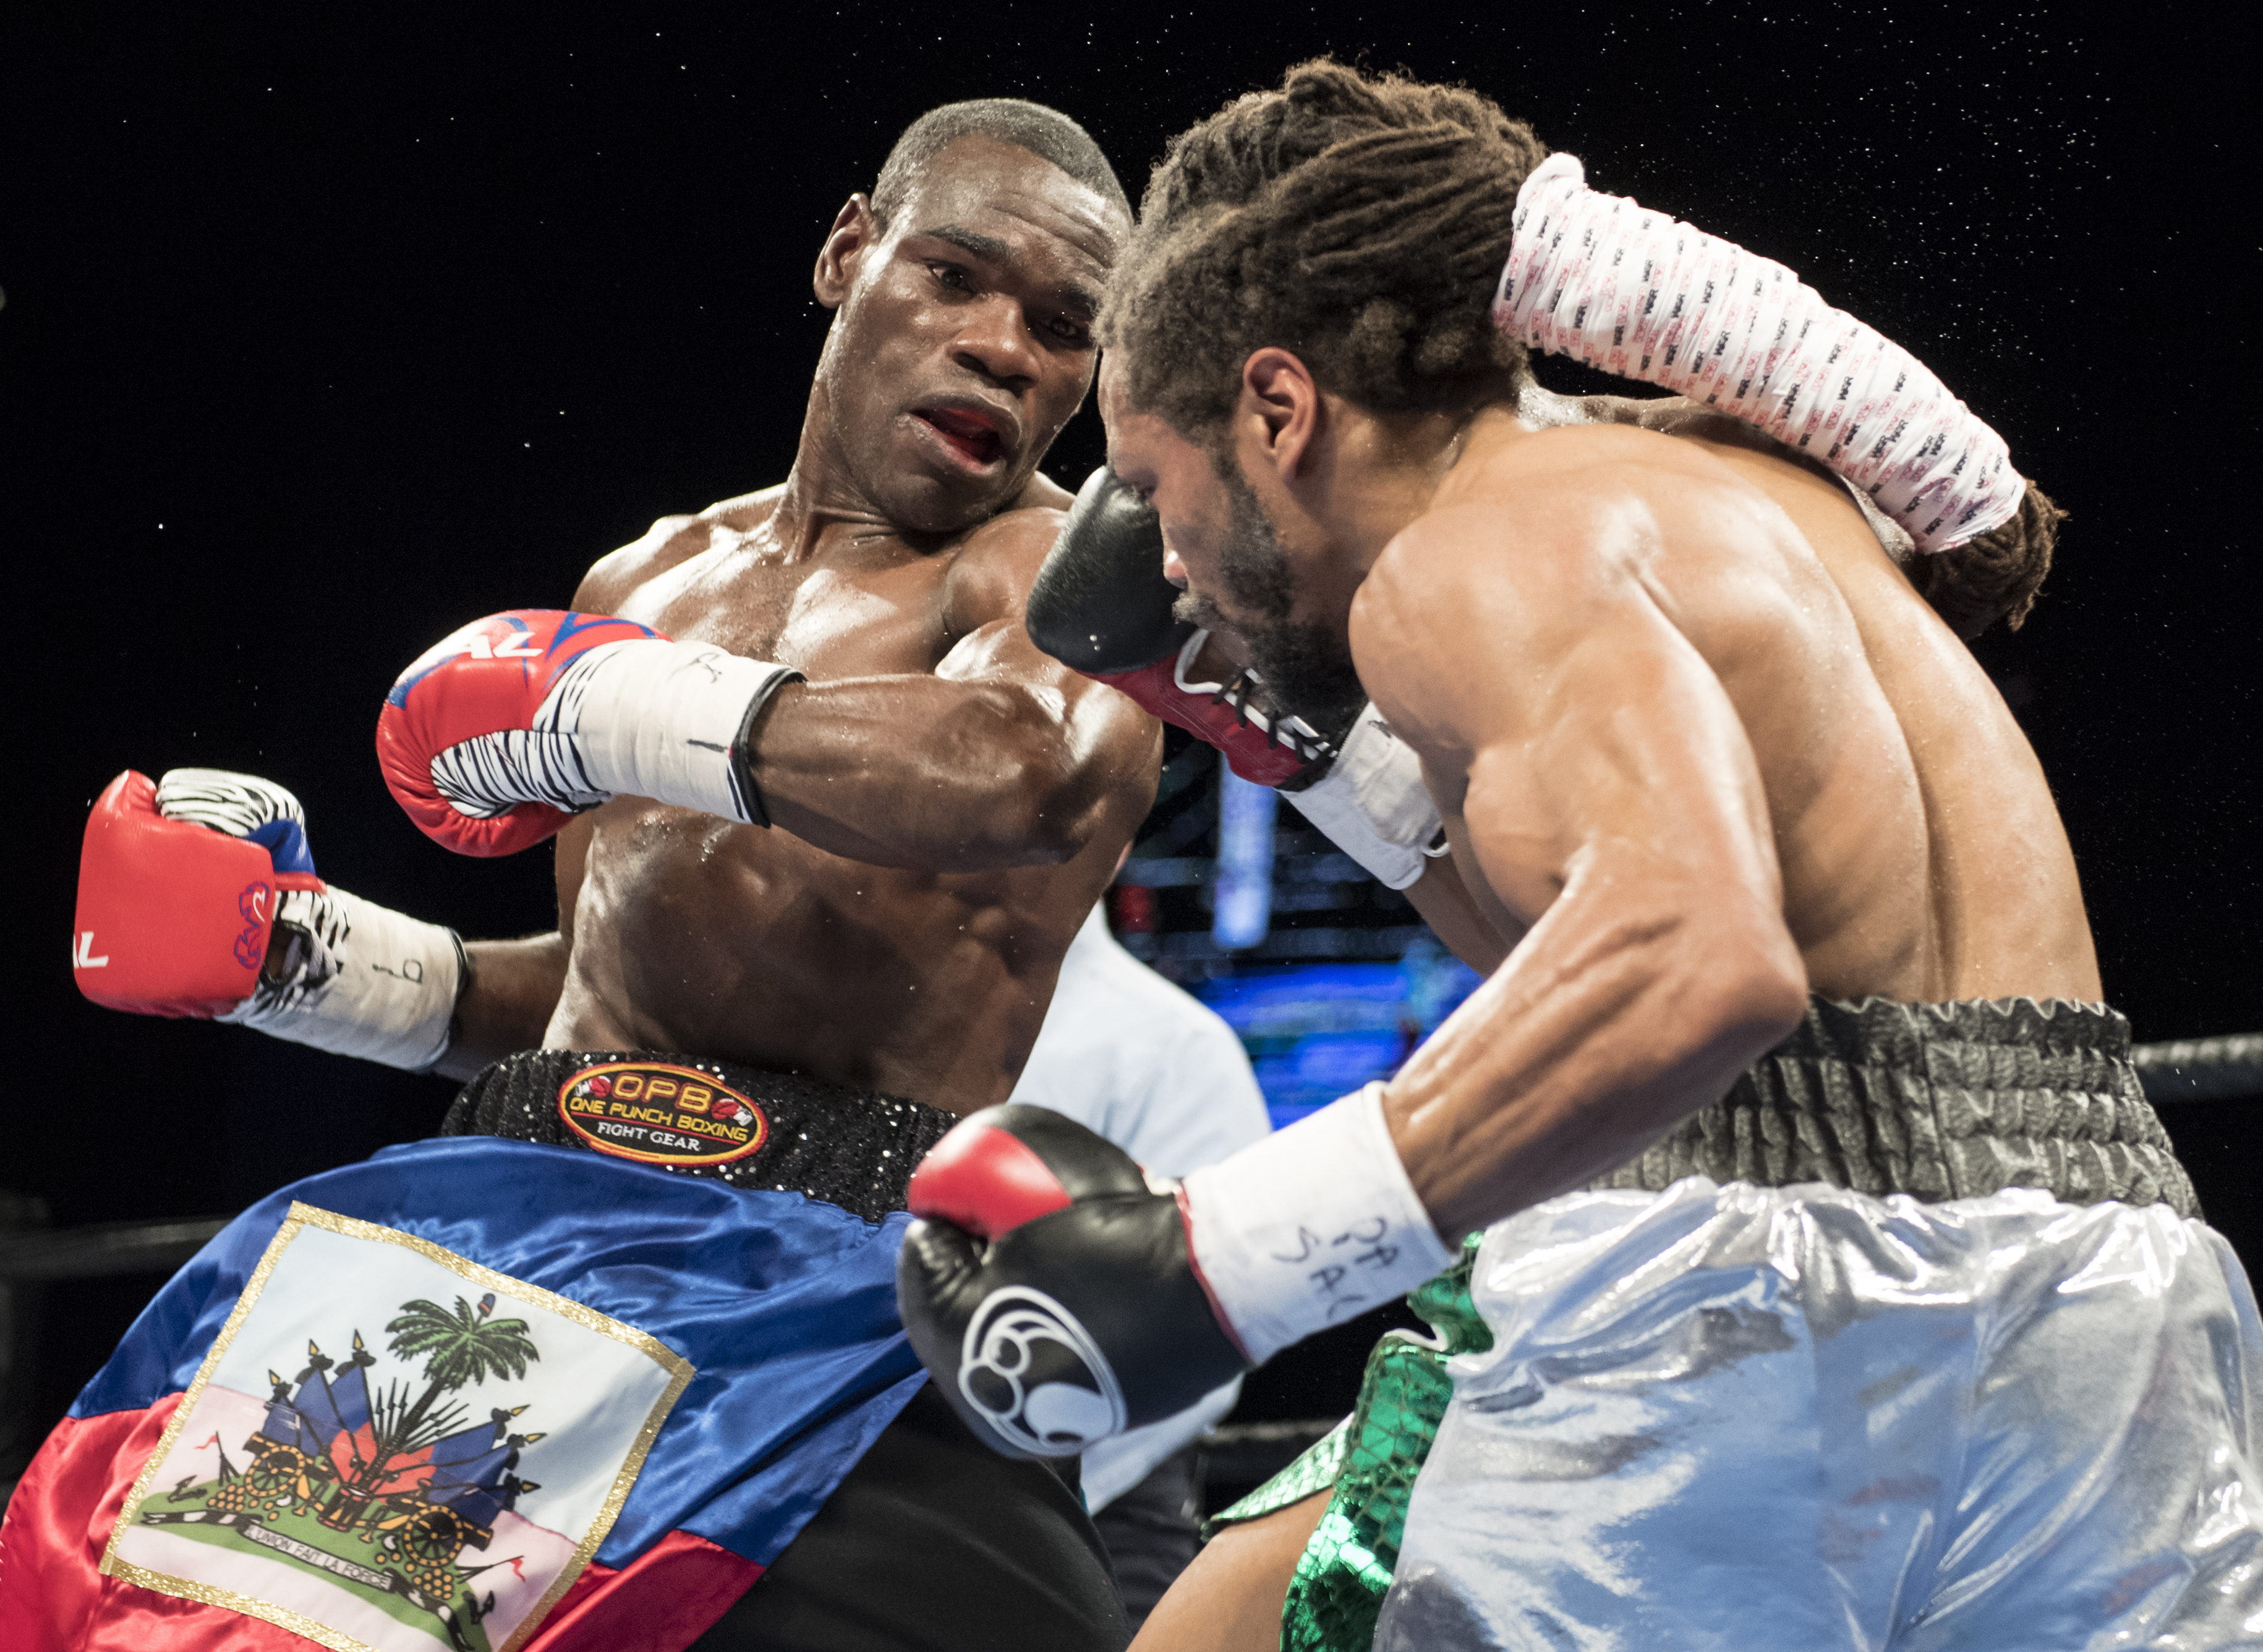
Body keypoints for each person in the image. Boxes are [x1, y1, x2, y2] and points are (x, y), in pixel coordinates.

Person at [893, 61, 2261, 1652]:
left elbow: (1693, 965)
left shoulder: (1461, 557)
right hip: (2113, 1290)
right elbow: (1631, 940)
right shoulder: (1751, 489)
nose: (1169, 560)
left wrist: (1222, 1263)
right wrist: (1308, 751)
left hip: (1753, 1308)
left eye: (1149, 483)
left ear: (1276, 408)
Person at [18, 100, 1160, 1652]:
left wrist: (614, 701)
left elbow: (1027, 775)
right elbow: (602, 975)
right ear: (847, 251)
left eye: (1061, 327)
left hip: (822, 1259)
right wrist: (313, 962)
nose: (1003, 348)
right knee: (161, 1597)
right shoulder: (643, 580)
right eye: (956, 277)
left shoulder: (1059, 583)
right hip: (524, 1197)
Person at [1009, 880, 1272, 1626]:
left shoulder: (1174, 1045)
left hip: (1101, 1513)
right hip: (872, 1492)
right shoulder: (858, 1019)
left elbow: (1205, 1324)